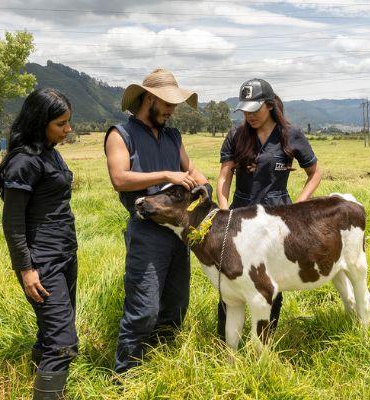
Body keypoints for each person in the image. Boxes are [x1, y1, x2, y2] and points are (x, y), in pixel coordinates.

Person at [105, 68, 208, 374]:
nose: (172, 111)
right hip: (147, 230)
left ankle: (158, 366)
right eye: (167, 104)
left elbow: (191, 171)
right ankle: (125, 376)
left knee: (176, 307)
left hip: (179, 232)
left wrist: (200, 180)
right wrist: (166, 174)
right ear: (149, 98)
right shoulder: (120, 135)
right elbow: (120, 178)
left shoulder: (173, 136)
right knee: (143, 310)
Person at [216, 78, 322, 341]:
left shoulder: (291, 134)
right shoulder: (236, 136)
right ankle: (226, 341)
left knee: (271, 281)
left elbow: (315, 173)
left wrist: (298, 207)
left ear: (270, 105)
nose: (249, 116)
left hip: (277, 218)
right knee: (231, 278)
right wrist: (224, 209)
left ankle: (264, 339)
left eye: (255, 110)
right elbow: (224, 177)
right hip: (241, 218)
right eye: (245, 111)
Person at [0, 88, 78, 399]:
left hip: (65, 254)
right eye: (61, 123)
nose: (67, 129)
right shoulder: (24, 161)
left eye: (68, 122)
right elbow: (12, 221)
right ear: (39, 121)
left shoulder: (50, 151)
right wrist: (26, 270)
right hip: (41, 262)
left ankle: (43, 387)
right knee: (63, 341)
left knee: (52, 332)